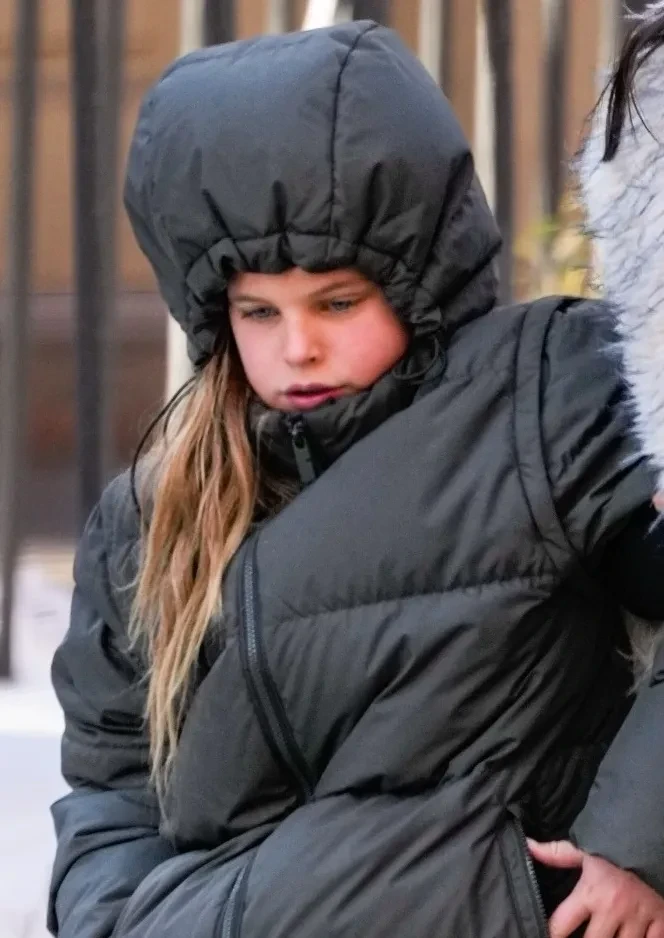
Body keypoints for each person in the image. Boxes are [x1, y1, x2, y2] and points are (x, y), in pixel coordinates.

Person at [47, 17, 664, 938]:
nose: (298, 347)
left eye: (337, 302)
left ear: (418, 278)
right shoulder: (153, 512)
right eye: (259, 312)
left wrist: (638, 848)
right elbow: (112, 780)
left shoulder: (540, 399)